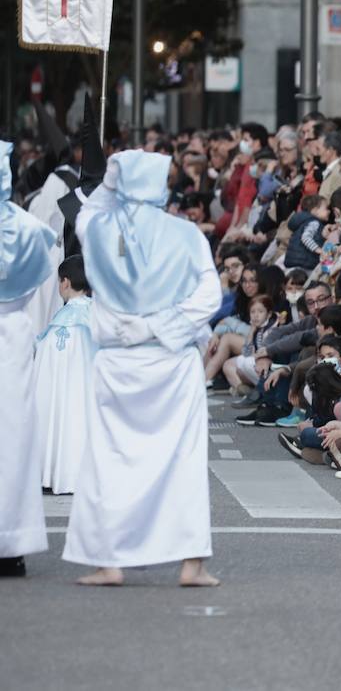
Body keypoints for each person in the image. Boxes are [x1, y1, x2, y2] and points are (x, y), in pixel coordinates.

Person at [65, 150, 222, 587]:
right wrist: (163, 326)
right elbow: (208, 296)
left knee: (107, 460)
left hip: (117, 359)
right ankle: (192, 563)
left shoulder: (97, 230)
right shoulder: (186, 234)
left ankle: (107, 559)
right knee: (185, 462)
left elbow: (89, 208)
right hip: (171, 358)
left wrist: (111, 178)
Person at [0, 141, 60, 577]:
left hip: (13, 331)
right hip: (14, 332)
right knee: (13, 439)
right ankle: (12, 541)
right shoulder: (30, 229)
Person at [34, 256, 95, 496]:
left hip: (59, 394)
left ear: (65, 282)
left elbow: (43, 377)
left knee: (57, 411)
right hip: (86, 392)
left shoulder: (58, 325)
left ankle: (52, 470)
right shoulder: (98, 317)